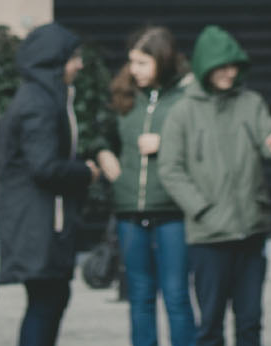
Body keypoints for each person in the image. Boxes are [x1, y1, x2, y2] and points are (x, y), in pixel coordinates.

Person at [158, 26, 271, 346]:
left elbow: (269, 138)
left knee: (249, 322)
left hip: (252, 229)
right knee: (210, 324)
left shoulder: (251, 102)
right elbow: (170, 169)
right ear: (205, 66)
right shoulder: (182, 112)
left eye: (234, 66)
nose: (229, 73)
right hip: (209, 237)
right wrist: (203, 210)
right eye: (221, 66)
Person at [0, 23, 101, 346]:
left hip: (42, 221)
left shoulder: (44, 95)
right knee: (46, 301)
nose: (79, 65)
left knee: (51, 299)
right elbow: (44, 167)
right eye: (74, 58)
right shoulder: (38, 102)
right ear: (54, 61)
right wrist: (86, 171)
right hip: (37, 222)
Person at [110, 27, 199, 346]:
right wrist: (107, 162)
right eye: (132, 62)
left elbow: (204, 146)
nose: (134, 70)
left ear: (162, 61)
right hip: (130, 211)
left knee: (176, 295)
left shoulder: (188, 95)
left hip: (172, 210)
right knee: (140, 297)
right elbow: (102, 137)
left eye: (142, 63)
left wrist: (167, 143)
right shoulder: (124, 93)